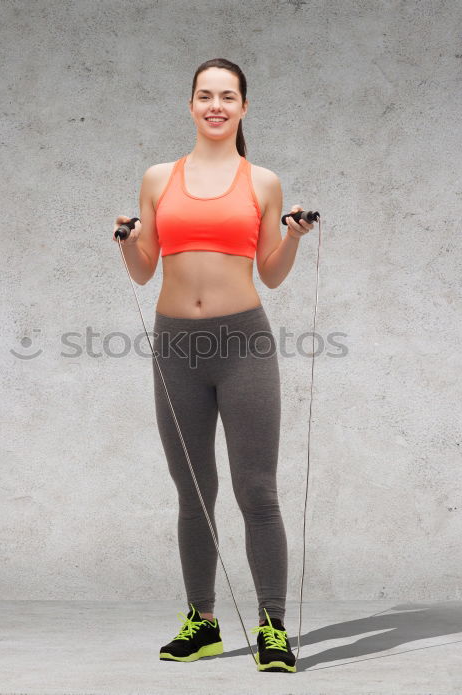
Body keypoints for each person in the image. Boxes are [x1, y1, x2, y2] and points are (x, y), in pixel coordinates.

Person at [112, 58, 314, 673]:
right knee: (194, 492)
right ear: (191, 105)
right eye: (205, 96)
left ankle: (273, 628)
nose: (216, 105)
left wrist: (295, 237)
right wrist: (127, 240)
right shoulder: (157, 178)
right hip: (176, 347)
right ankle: (201, 621)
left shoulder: (263, 183)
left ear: (244, 107)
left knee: (257, 490)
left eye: (228, 96)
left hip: (244, 344)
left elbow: (271, 275)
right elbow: (145, 269)